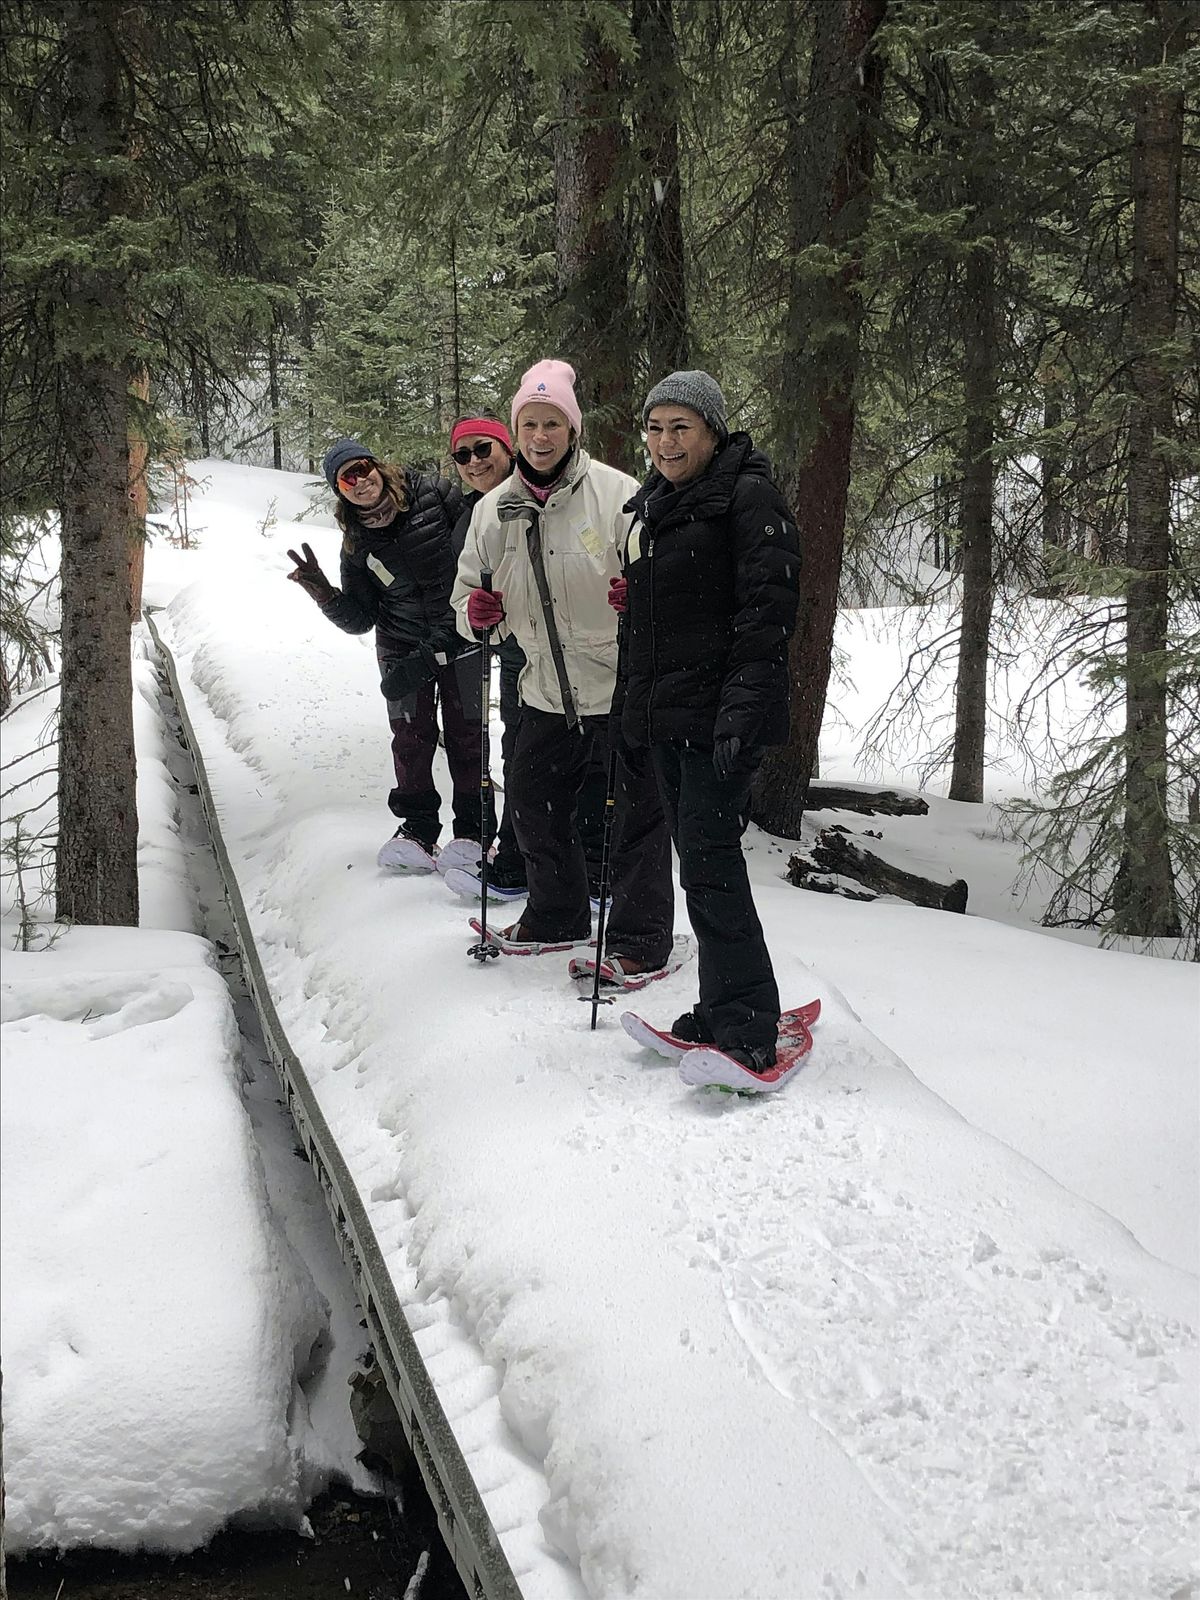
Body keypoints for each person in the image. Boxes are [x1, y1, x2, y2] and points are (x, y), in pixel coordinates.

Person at [451, 359, 674, 977]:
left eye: (553, 423)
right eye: (530, 424)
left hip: (618, 684)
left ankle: (642, 940)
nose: (541, 436)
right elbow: (466, 599)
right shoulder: (493, 510)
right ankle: (557, 915)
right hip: (544, 686)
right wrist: (477, 613)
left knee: (635, 818)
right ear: (516, 432)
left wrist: (641, 597)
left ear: (572, 431)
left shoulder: (618, 494)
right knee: (532, 801)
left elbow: (657, 576)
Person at [612, 371, 800, 1070]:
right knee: (698, 866)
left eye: (680, 427)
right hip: (671, 716)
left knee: (712, 865)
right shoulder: (659, 502)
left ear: (712, 430)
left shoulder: (748, 496)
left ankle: (749, 1026)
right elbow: (662, 620)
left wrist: (740, 714)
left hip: (721, 718)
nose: (665, 441)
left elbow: (767, 612)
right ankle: (723, 1006)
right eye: (656, 427)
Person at [287, 437, 487, 874]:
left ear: (377, 466)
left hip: (460, 636)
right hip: (400, 645)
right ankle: (417, 829)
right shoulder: (356, 543)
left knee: (467, 733)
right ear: (339, 489)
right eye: (347, 478)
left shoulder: (435, 493)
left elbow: (480, 544)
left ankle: (475, 829)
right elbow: (361, 618)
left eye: (363, 469)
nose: (360, 483)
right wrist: (322, 592)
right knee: (410, 737)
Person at [446, 410, 609, 902]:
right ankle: (519, 863)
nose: (475, 461)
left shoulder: (567, 500)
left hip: (579, 660)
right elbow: (466, 599)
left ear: (507, 448)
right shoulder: (475, 517)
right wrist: (477, 618)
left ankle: (571, 870)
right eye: (463, 454)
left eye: (484, 449)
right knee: (521, 763)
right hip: (520, 660)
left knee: (573, 766)